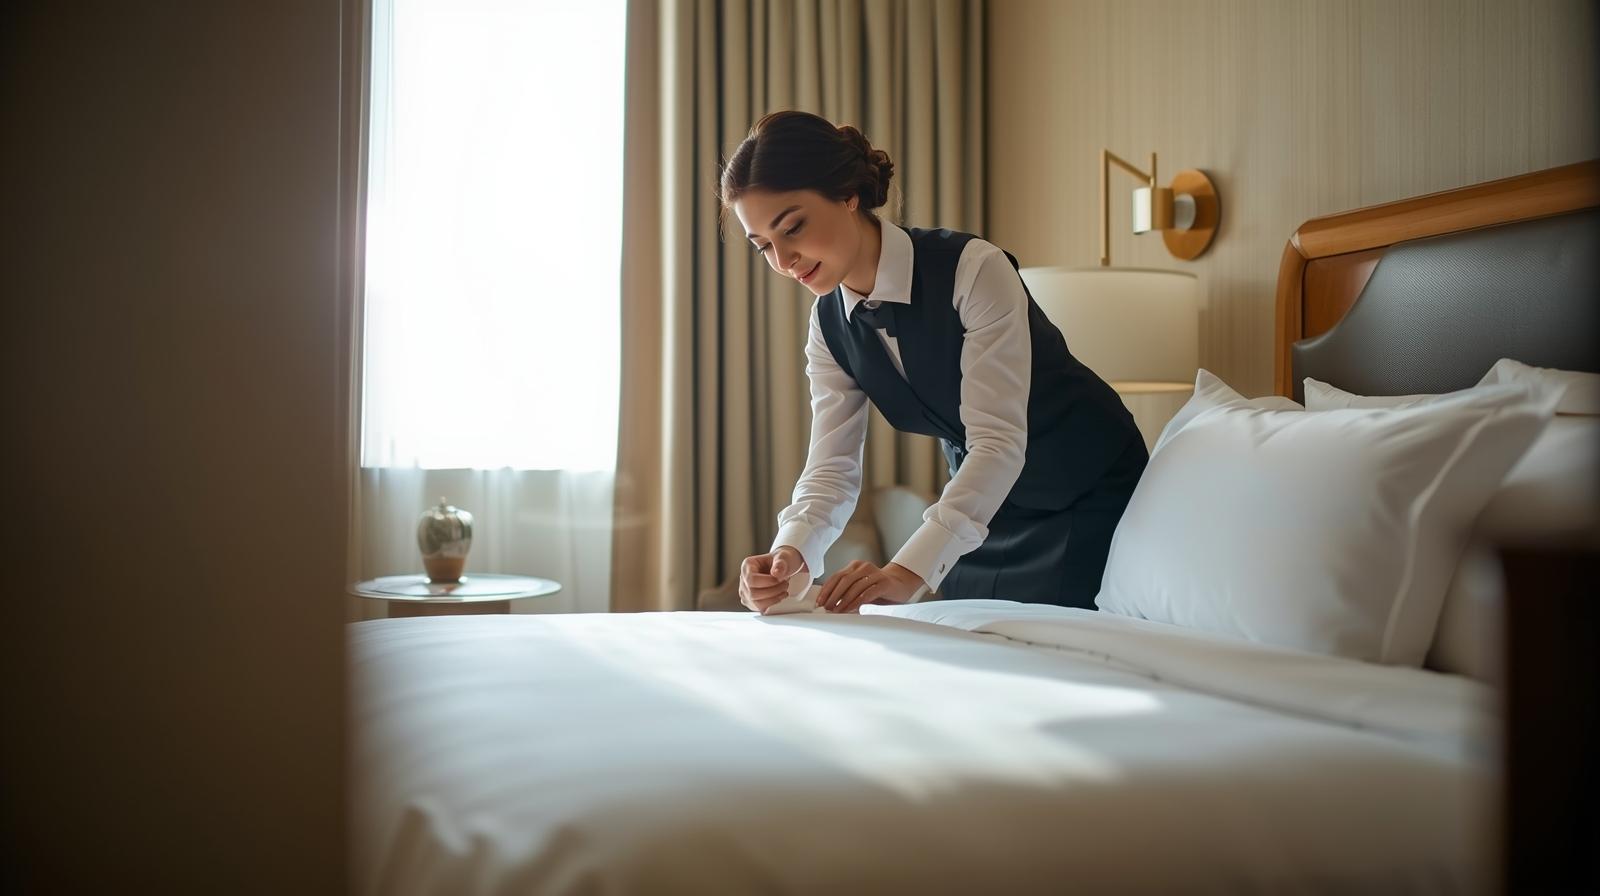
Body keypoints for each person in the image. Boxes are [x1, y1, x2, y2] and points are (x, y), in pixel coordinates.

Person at [725, 110, 1147, 615]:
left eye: (792, 228)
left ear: (846, 193)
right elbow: (832, 467)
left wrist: (907, 570)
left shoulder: (974, 270)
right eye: (764, 246)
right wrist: (790, 553)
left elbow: (997, 441)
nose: (783, 260)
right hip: (979, 512)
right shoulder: (828, 325)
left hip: (1085, 489)